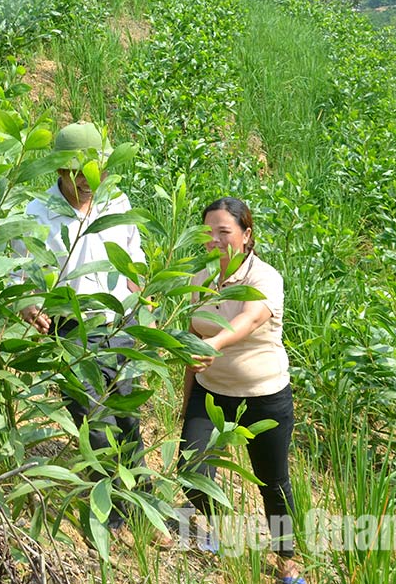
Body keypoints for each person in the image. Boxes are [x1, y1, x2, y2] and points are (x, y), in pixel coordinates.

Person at [17, 122, 164, 540]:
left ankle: (146, 501)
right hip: (72, 324)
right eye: (75, 173)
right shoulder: (37, 214)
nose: (84, 182)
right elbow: (21, 272)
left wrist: (144, 288)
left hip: (120, 319)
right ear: (59, 171)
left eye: (91, 173)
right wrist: (28, 304)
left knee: (126, 412)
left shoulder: (117, 200)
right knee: (91, 419)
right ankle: (115, 511)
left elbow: (131, 257)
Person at [180, 197, 305, 584]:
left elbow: (249, 321)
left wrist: (212, 346)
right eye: (208, 232)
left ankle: (287, 557)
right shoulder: (199, 278)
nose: (215, 240)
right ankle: (222, 531)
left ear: (246, 235)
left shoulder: (264, 278)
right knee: (191, 469)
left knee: (273, 482)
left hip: (263, 395)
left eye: (225, 232)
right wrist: (187, 399)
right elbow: (189, 337)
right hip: (211, 390)